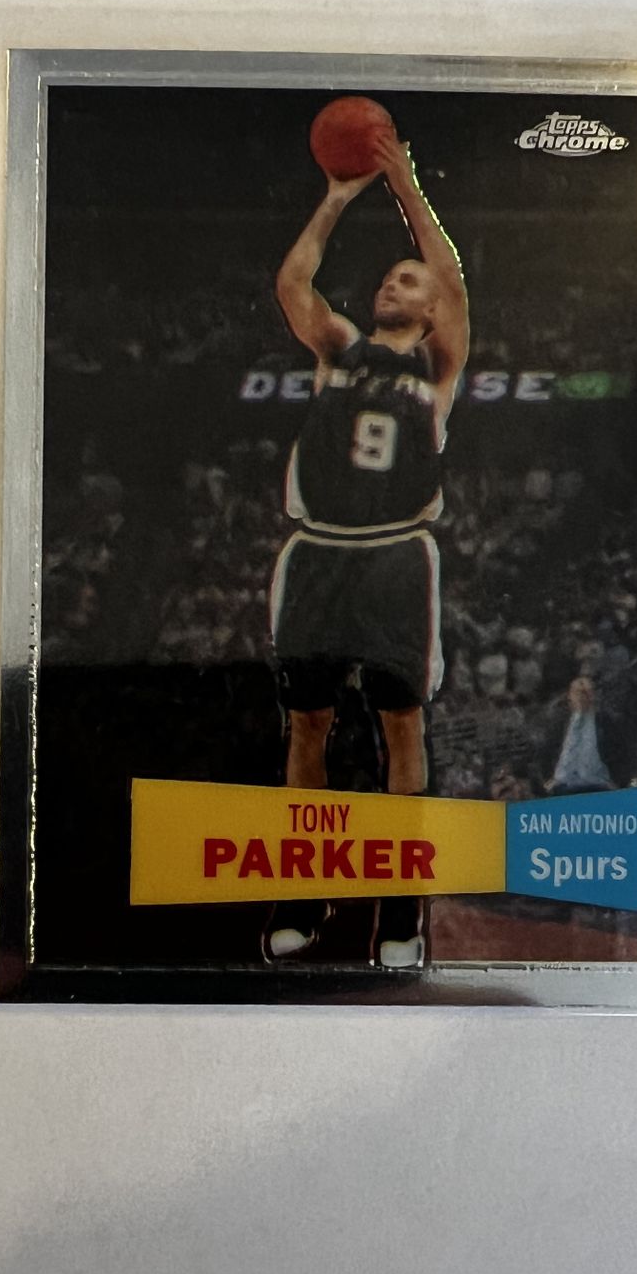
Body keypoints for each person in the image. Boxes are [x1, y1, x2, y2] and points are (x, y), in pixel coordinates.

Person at [265, 130, 470, 968]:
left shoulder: (438, 366)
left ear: (431, 307)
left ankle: (400, 917)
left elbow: (451, 276)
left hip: (395, 558)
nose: (394, 281)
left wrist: (405, 186)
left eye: (409, 280)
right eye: (389, 276)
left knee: (401, 729)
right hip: (318, 553)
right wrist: (337, 196)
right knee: (307, 725)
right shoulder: (337, 348)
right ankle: (301, 896)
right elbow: (292, 283)